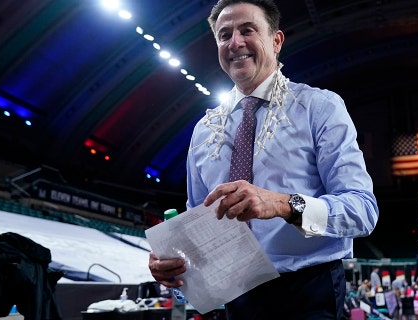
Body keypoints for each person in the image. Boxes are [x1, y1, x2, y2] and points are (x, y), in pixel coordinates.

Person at [147, 1, 380, 319]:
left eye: (247, 30)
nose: (235, 42)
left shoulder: (319, 108)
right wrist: (175, 269)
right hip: (238, 299)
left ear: (276, 40)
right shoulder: (204, 130)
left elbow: (362, 212)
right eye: (224, 34)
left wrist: (284, 205)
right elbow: (200, 230)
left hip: (309, 294)